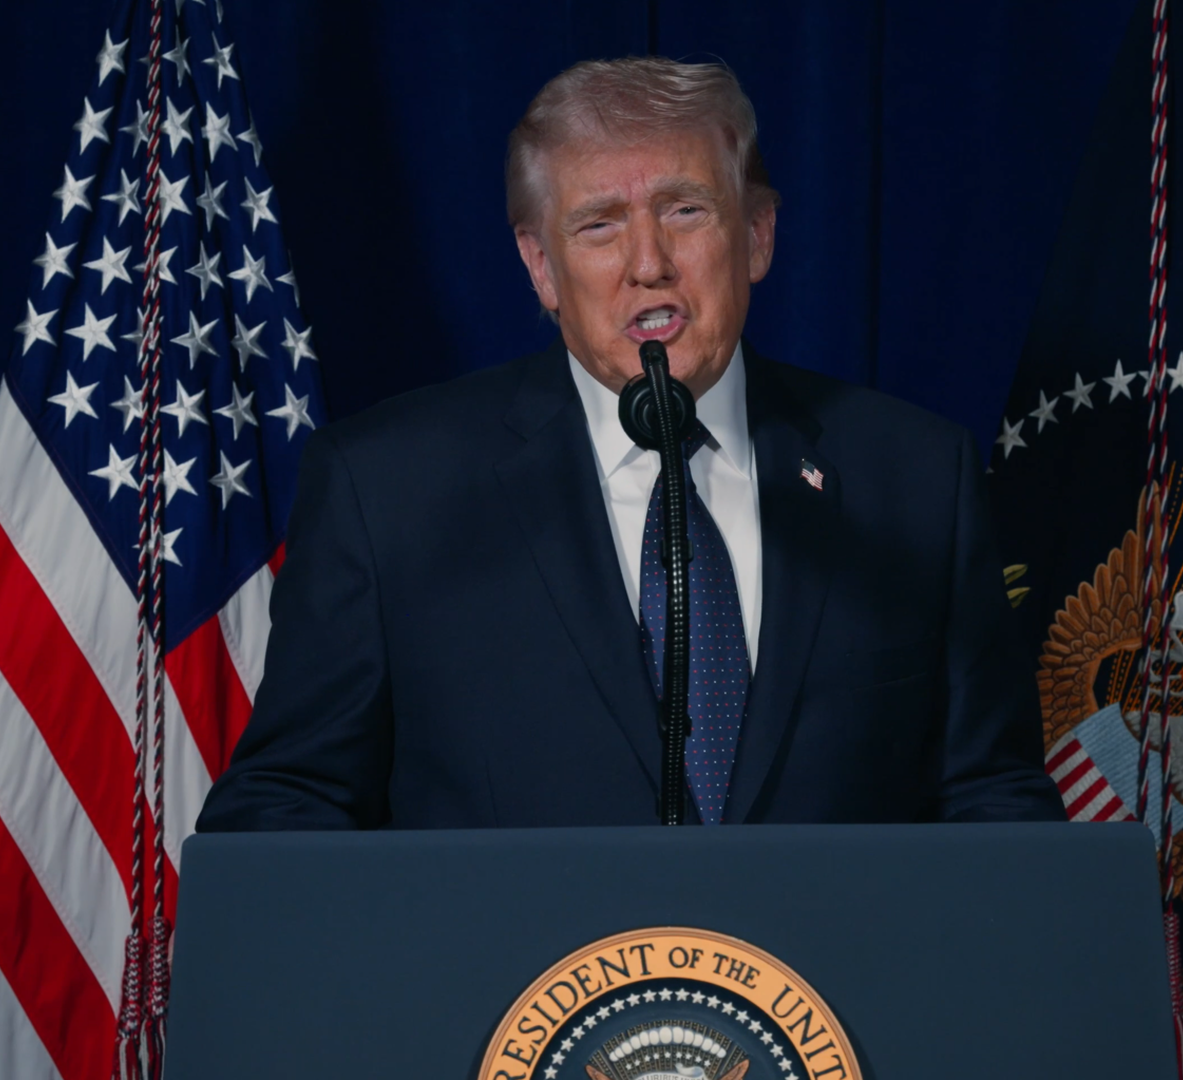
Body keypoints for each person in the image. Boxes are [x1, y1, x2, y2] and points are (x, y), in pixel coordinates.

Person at [195, 57, 1062, 830]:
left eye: (685, 210)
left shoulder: (915, 478)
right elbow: (287, 807)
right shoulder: (388, 491)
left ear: (757, 235)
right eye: (599, 225)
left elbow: (994, 799)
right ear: (541, 267)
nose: (649, 263)